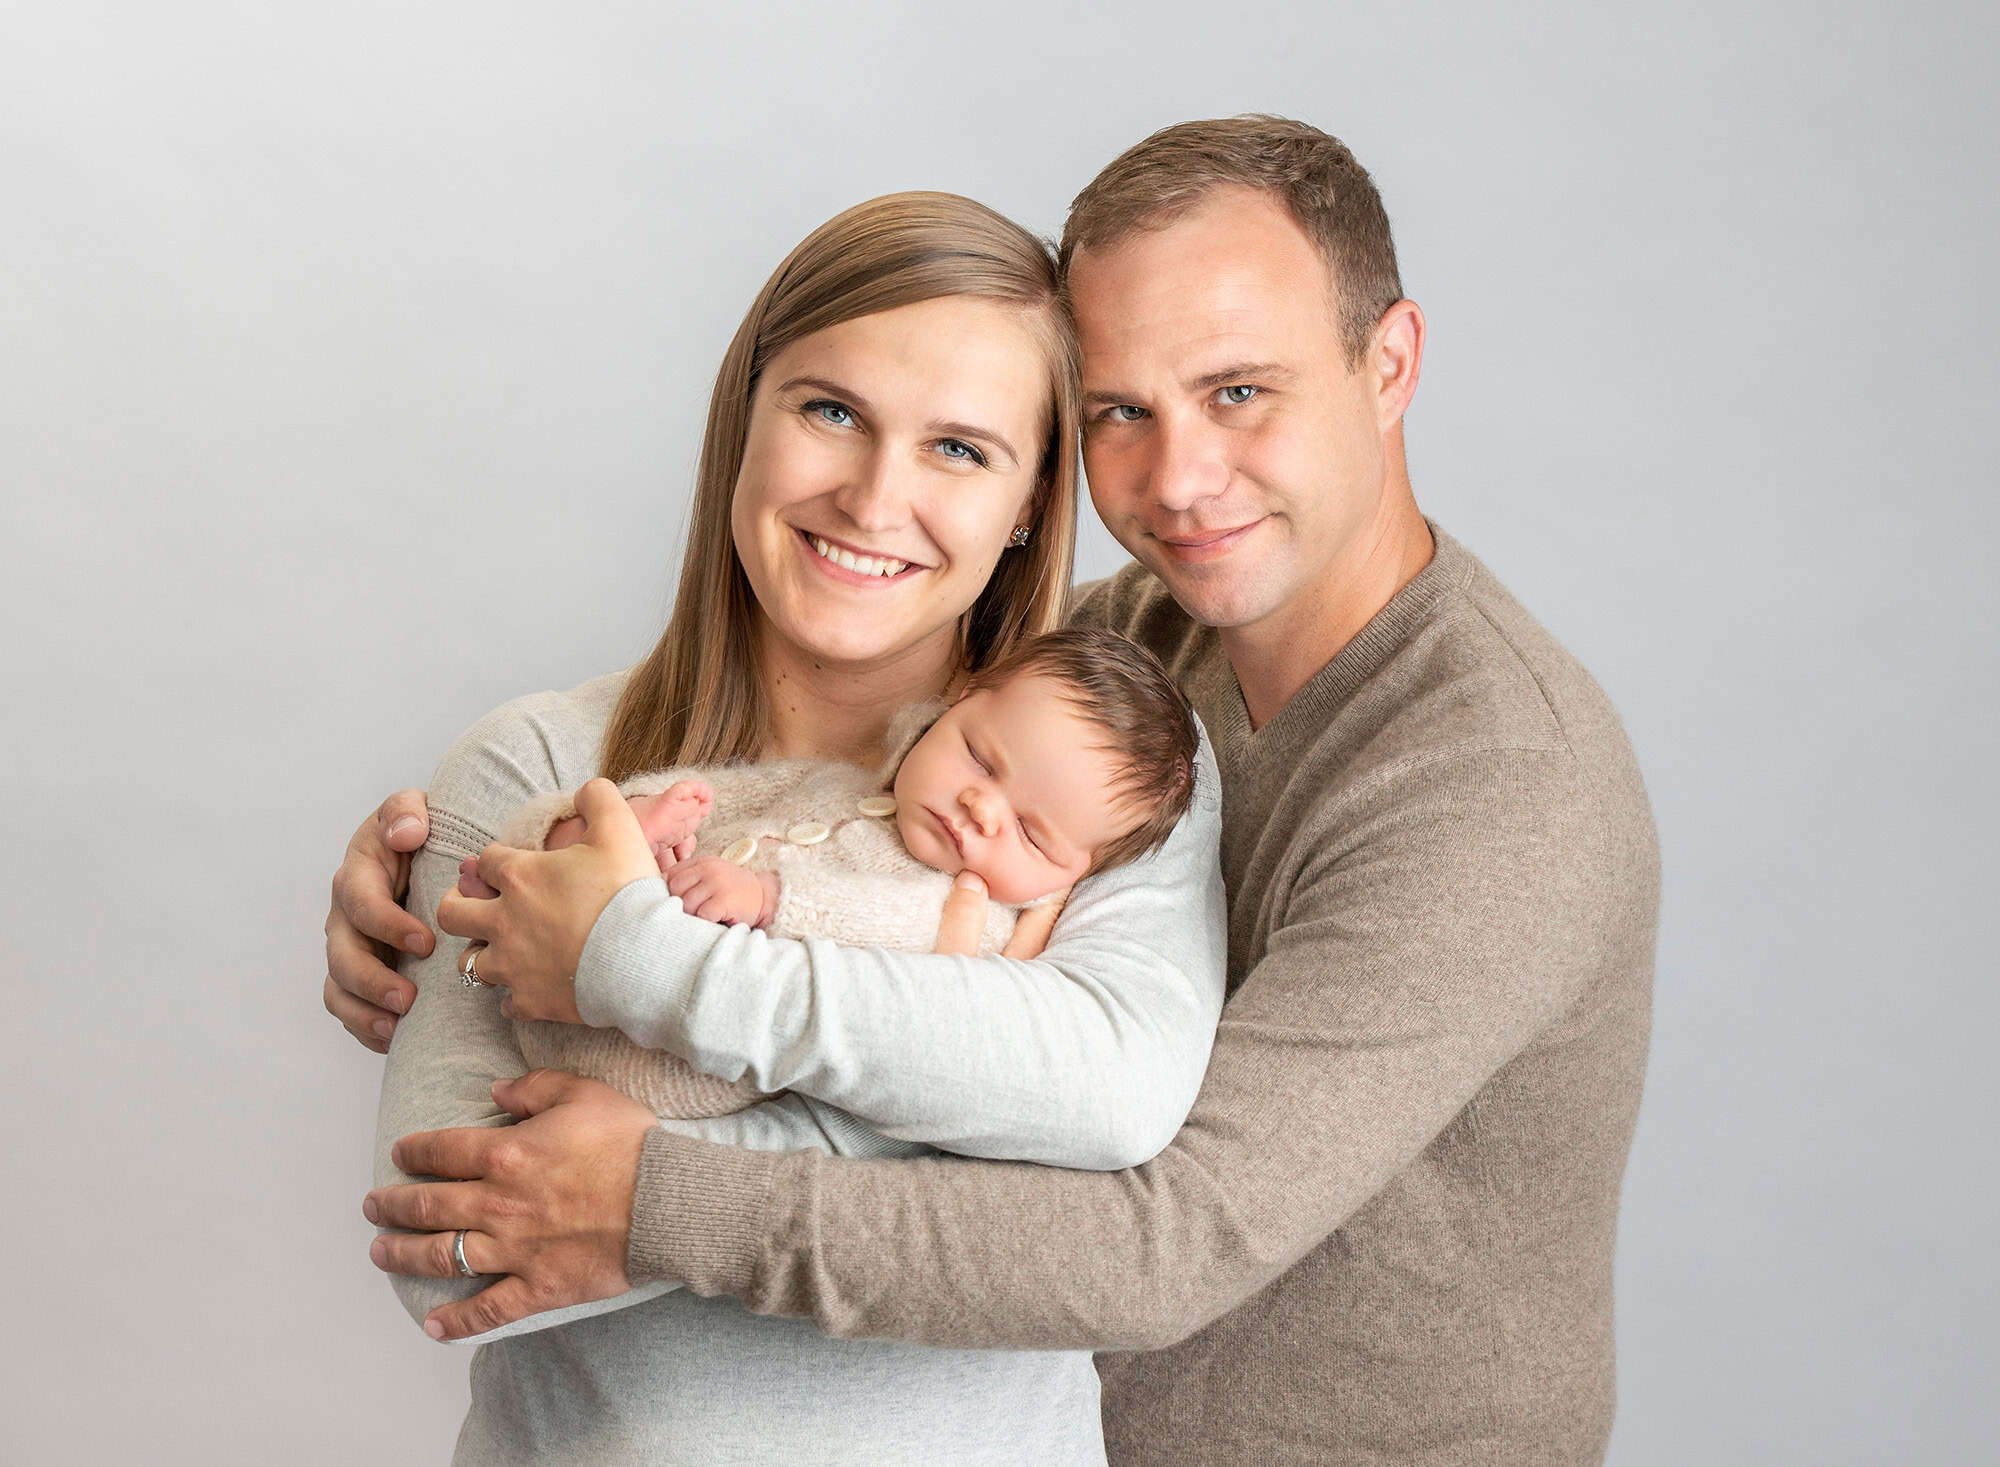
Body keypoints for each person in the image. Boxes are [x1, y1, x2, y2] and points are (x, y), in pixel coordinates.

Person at [334, 117, 1660, 1466]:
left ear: (1390, 364)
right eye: (1121, 412)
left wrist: (646, 1152)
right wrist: (449, 859)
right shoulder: (1116, 671)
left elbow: (1158, 1221)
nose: (1179, 478)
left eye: (1239, 391)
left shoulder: (1490, 780)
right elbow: (452, 1233)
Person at [355, 189, 1230, 1464]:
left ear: (1032, 500)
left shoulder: (1092, 772)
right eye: (830, 412)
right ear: (744, 420)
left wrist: (653, 1159)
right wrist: (965, 1104)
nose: (874, 500)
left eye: (959, 448)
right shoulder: (535, 766)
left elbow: (1107, 1100)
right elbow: (451, 1246)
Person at [482, 625, 1200, 1122]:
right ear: (952, 707)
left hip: (655, 1070)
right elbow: (730, 792)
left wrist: (772, 899)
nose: (981, 808)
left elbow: (883, 934)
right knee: (602, 824)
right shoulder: (846, 784)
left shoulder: (973, 920)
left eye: (1031, 833)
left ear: (1066, 881)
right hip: (552, 981)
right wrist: (645, 813)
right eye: (980, 758)